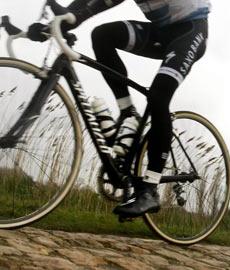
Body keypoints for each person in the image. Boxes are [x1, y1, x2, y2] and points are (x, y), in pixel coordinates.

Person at [27, 0, 211, 218]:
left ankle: (150, 189)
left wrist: (75, 17)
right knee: (102, 35)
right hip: (160, 32)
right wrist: (56, 24)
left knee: (158, 96)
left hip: (190, 31)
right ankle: (127, 113)